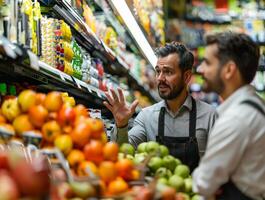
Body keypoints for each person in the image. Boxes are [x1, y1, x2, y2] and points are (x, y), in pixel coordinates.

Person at [104, 42, 216, 171]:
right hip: (155, 190)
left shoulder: (209, 116)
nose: (160, 78)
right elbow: (123, 153)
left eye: (168, 72)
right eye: (158, 71)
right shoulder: (147, 116)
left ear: (186, 77)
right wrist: (121, 125)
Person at [192, 32, 265, 200]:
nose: (200, 69)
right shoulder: (254, 105)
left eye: (208, 62)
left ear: (229, 70)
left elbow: (203, 183)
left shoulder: (237, 118)